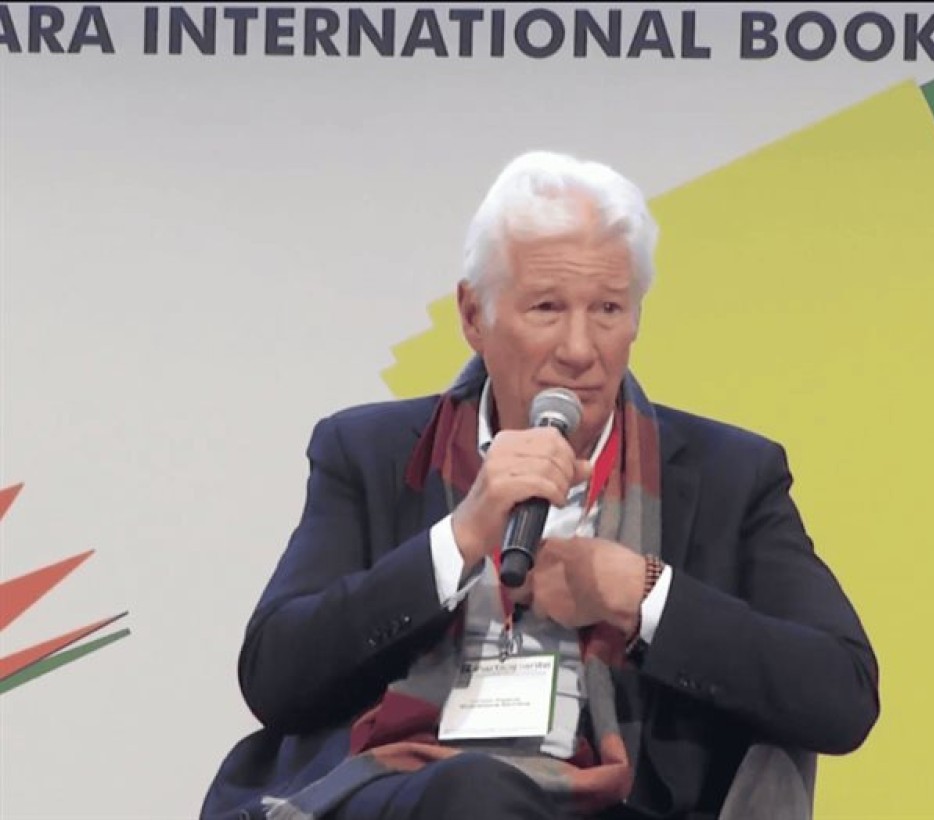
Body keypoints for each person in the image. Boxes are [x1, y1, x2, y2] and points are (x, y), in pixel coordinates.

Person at [200, 151, 879, 820]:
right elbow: (276, 680)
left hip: (611, 802)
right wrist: (459, 538)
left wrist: (639, 593)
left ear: (636, 318)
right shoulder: (370, 452)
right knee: (475, 791)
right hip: (409, 790)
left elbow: (841, 694)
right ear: (473, 316)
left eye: (608, 309)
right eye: (548, 308)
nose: (580, 350)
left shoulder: (728, 473)